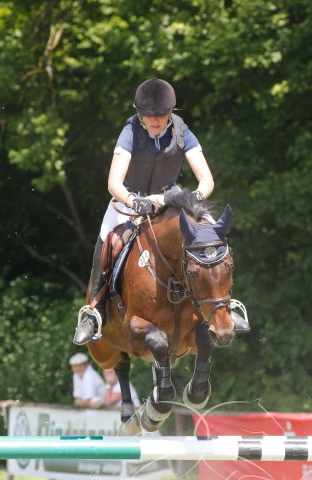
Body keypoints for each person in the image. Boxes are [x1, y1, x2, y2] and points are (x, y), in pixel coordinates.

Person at [73, 77, 250, 345]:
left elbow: (206, 179)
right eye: (148, 115)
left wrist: (194, 197)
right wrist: (134, 201)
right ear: (139, 113)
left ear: (171, 112)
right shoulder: (130, 132)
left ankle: (226, 305)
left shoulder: (182, 131)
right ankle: (94, 311)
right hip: (130, 199)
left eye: (161, 115)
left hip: (170, 197)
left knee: (211, 234)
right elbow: (113, 183)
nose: (154, 120)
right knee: (108, 236)